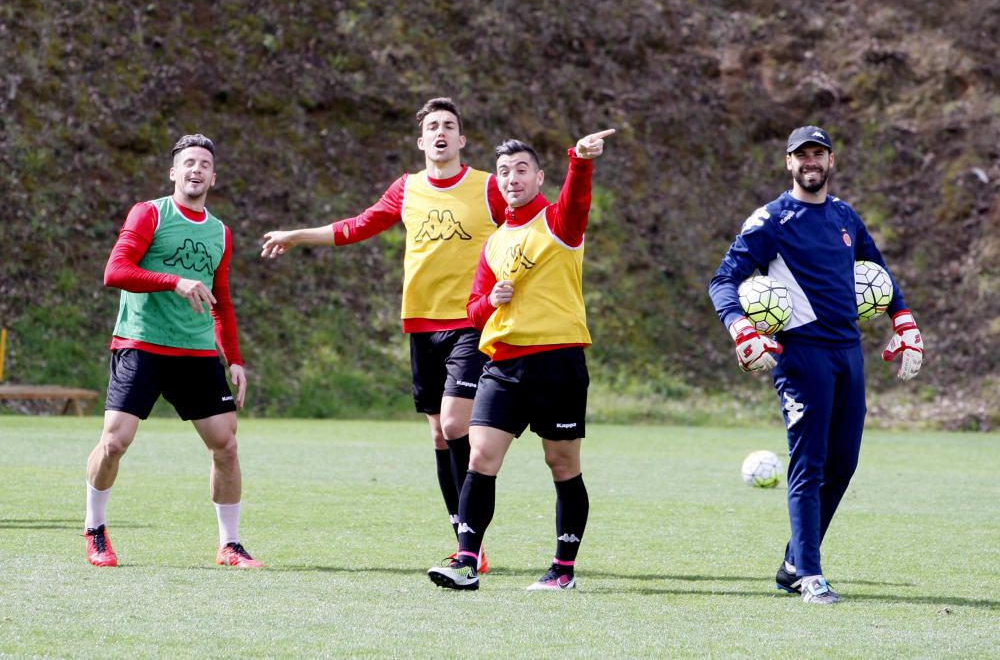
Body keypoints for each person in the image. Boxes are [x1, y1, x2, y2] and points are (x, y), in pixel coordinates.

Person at [260, 98, 506, 571]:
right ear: (421, 141)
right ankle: (464, 534)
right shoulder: (408, 189)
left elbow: (527, 226)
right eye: (432, 126)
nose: (440, 132)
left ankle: (470, 541)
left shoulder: (489, 188)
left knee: (456, 423)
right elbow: (358, 226)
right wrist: (297, 235)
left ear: (462, 140)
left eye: (449, 126)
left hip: (472, 323)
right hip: (420, 322)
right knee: (439, 433)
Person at [708, 126, 924, 604]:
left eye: (818, 154)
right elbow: (723, 280)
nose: (811, 161)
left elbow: (880, 273)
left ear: (831, 161)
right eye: (801, 154)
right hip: (801, 358)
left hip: (849, 353)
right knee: (809, 464)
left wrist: (905, 324)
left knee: (843, 464)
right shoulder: (770, 221)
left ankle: (792, 562)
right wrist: (742, 329)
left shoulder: (845, 215)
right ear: (789, 163)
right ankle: (810, 574)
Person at [426, 128, 615, 592]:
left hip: (558, 362)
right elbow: (473, 310)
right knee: (480, 458)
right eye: (504, 172)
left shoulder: (559, 223)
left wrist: (581, 160)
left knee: (563, 464)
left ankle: (562, 570)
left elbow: (577, 199)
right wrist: (491, 299)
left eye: (521, 170)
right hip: (503, 367)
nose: (512, 178)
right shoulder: (492, 244)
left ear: (539, 177)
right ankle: (466, 562)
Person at [84, 134, 262, 568]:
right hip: (141, 344)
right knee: (114, 442)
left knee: (227, 446)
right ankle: (95, 530)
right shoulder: (150, 213)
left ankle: (230, 544)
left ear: (213, 177)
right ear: (173, 172)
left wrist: (233, 358)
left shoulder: (220, 231)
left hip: (196, 354)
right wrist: (173, 280)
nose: (196, 169)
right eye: (188, 163)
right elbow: (116, 271)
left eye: (204, 163)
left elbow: (221, 299)